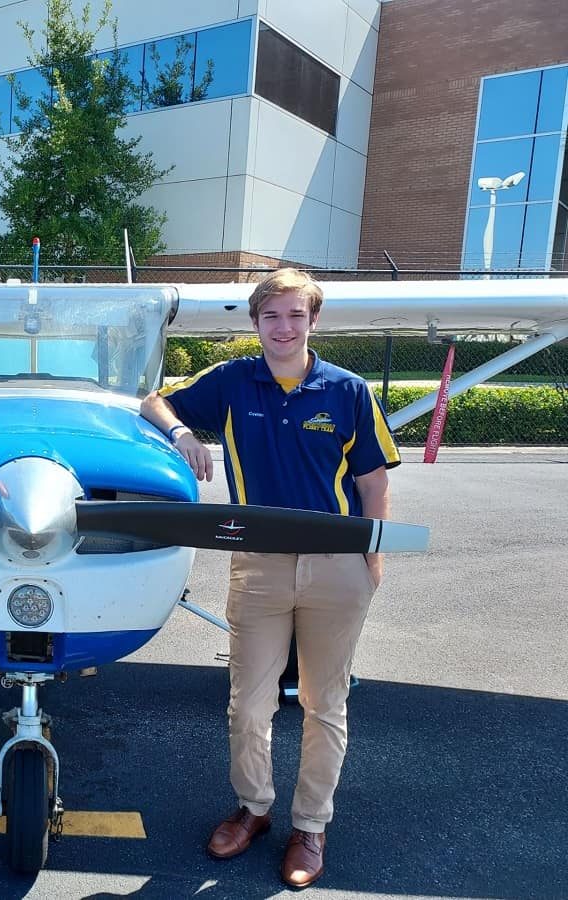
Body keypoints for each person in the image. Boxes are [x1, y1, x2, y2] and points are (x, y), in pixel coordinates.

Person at [140, 267, 400, 888]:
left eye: (295, 316)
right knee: (248, 704)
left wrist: (373, 557)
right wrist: (180, 432)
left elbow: (373, 481)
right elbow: (154, 400)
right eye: (271, 317)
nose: (283, 328)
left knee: (323, 703)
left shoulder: (349, 391)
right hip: (257, 564)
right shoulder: (233, 381)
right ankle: (253, 809)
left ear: (313, 321)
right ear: (255, 323)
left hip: (336, 565)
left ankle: (310, 826)